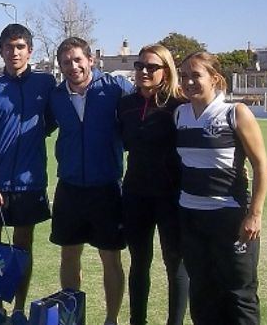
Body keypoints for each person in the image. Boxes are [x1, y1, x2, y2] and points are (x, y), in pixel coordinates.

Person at [0, 24, 56, 325]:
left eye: (20, 46)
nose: (15, 52)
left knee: (23, 247)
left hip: (29, 184)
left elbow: (53, 119)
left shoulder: (46, 84)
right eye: (9, 46)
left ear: (29, 50)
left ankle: (19, 309)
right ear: (1, 51)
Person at [176, 51, 267, 325]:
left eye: (196, 75)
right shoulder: (180, 114)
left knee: (239, 294)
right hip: (191, 216)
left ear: (215, 78)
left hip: (229, 217)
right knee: (202, 292)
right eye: (184, 76)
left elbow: (262, 166)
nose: (188, 81)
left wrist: (254, 214)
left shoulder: (235, 113)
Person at [49, 37, 133, 325]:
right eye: (66, 62)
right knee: (69, 254)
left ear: (90, 60)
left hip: (107, 187)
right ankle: (72, 318)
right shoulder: (56, 96)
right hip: (69, 187)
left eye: (77, 60)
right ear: (59, 66)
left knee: (111, 258)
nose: (73, 66)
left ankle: (111, 320)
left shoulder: (115, 88)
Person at [117, 44, 188, 325]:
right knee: (139, 262)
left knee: (175, 264)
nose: (144, 71)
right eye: (140, 66)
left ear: (166, 71)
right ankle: (138, 321)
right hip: (135, 194)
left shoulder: (179, 106)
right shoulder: (126, 104)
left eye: (152, 67)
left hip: (172, 196)